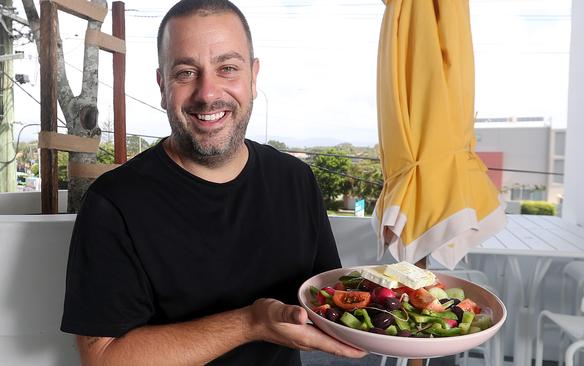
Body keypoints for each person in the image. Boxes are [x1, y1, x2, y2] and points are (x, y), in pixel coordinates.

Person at [59, 0, 366, 364]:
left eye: (227, 68)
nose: (207, 93)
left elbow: (324, 300)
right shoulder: (114, 203)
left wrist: (411, 305)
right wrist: (250, 323)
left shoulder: (295, 179)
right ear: (162, 86)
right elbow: (103, 358)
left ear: (253, 77)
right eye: (186, 73)